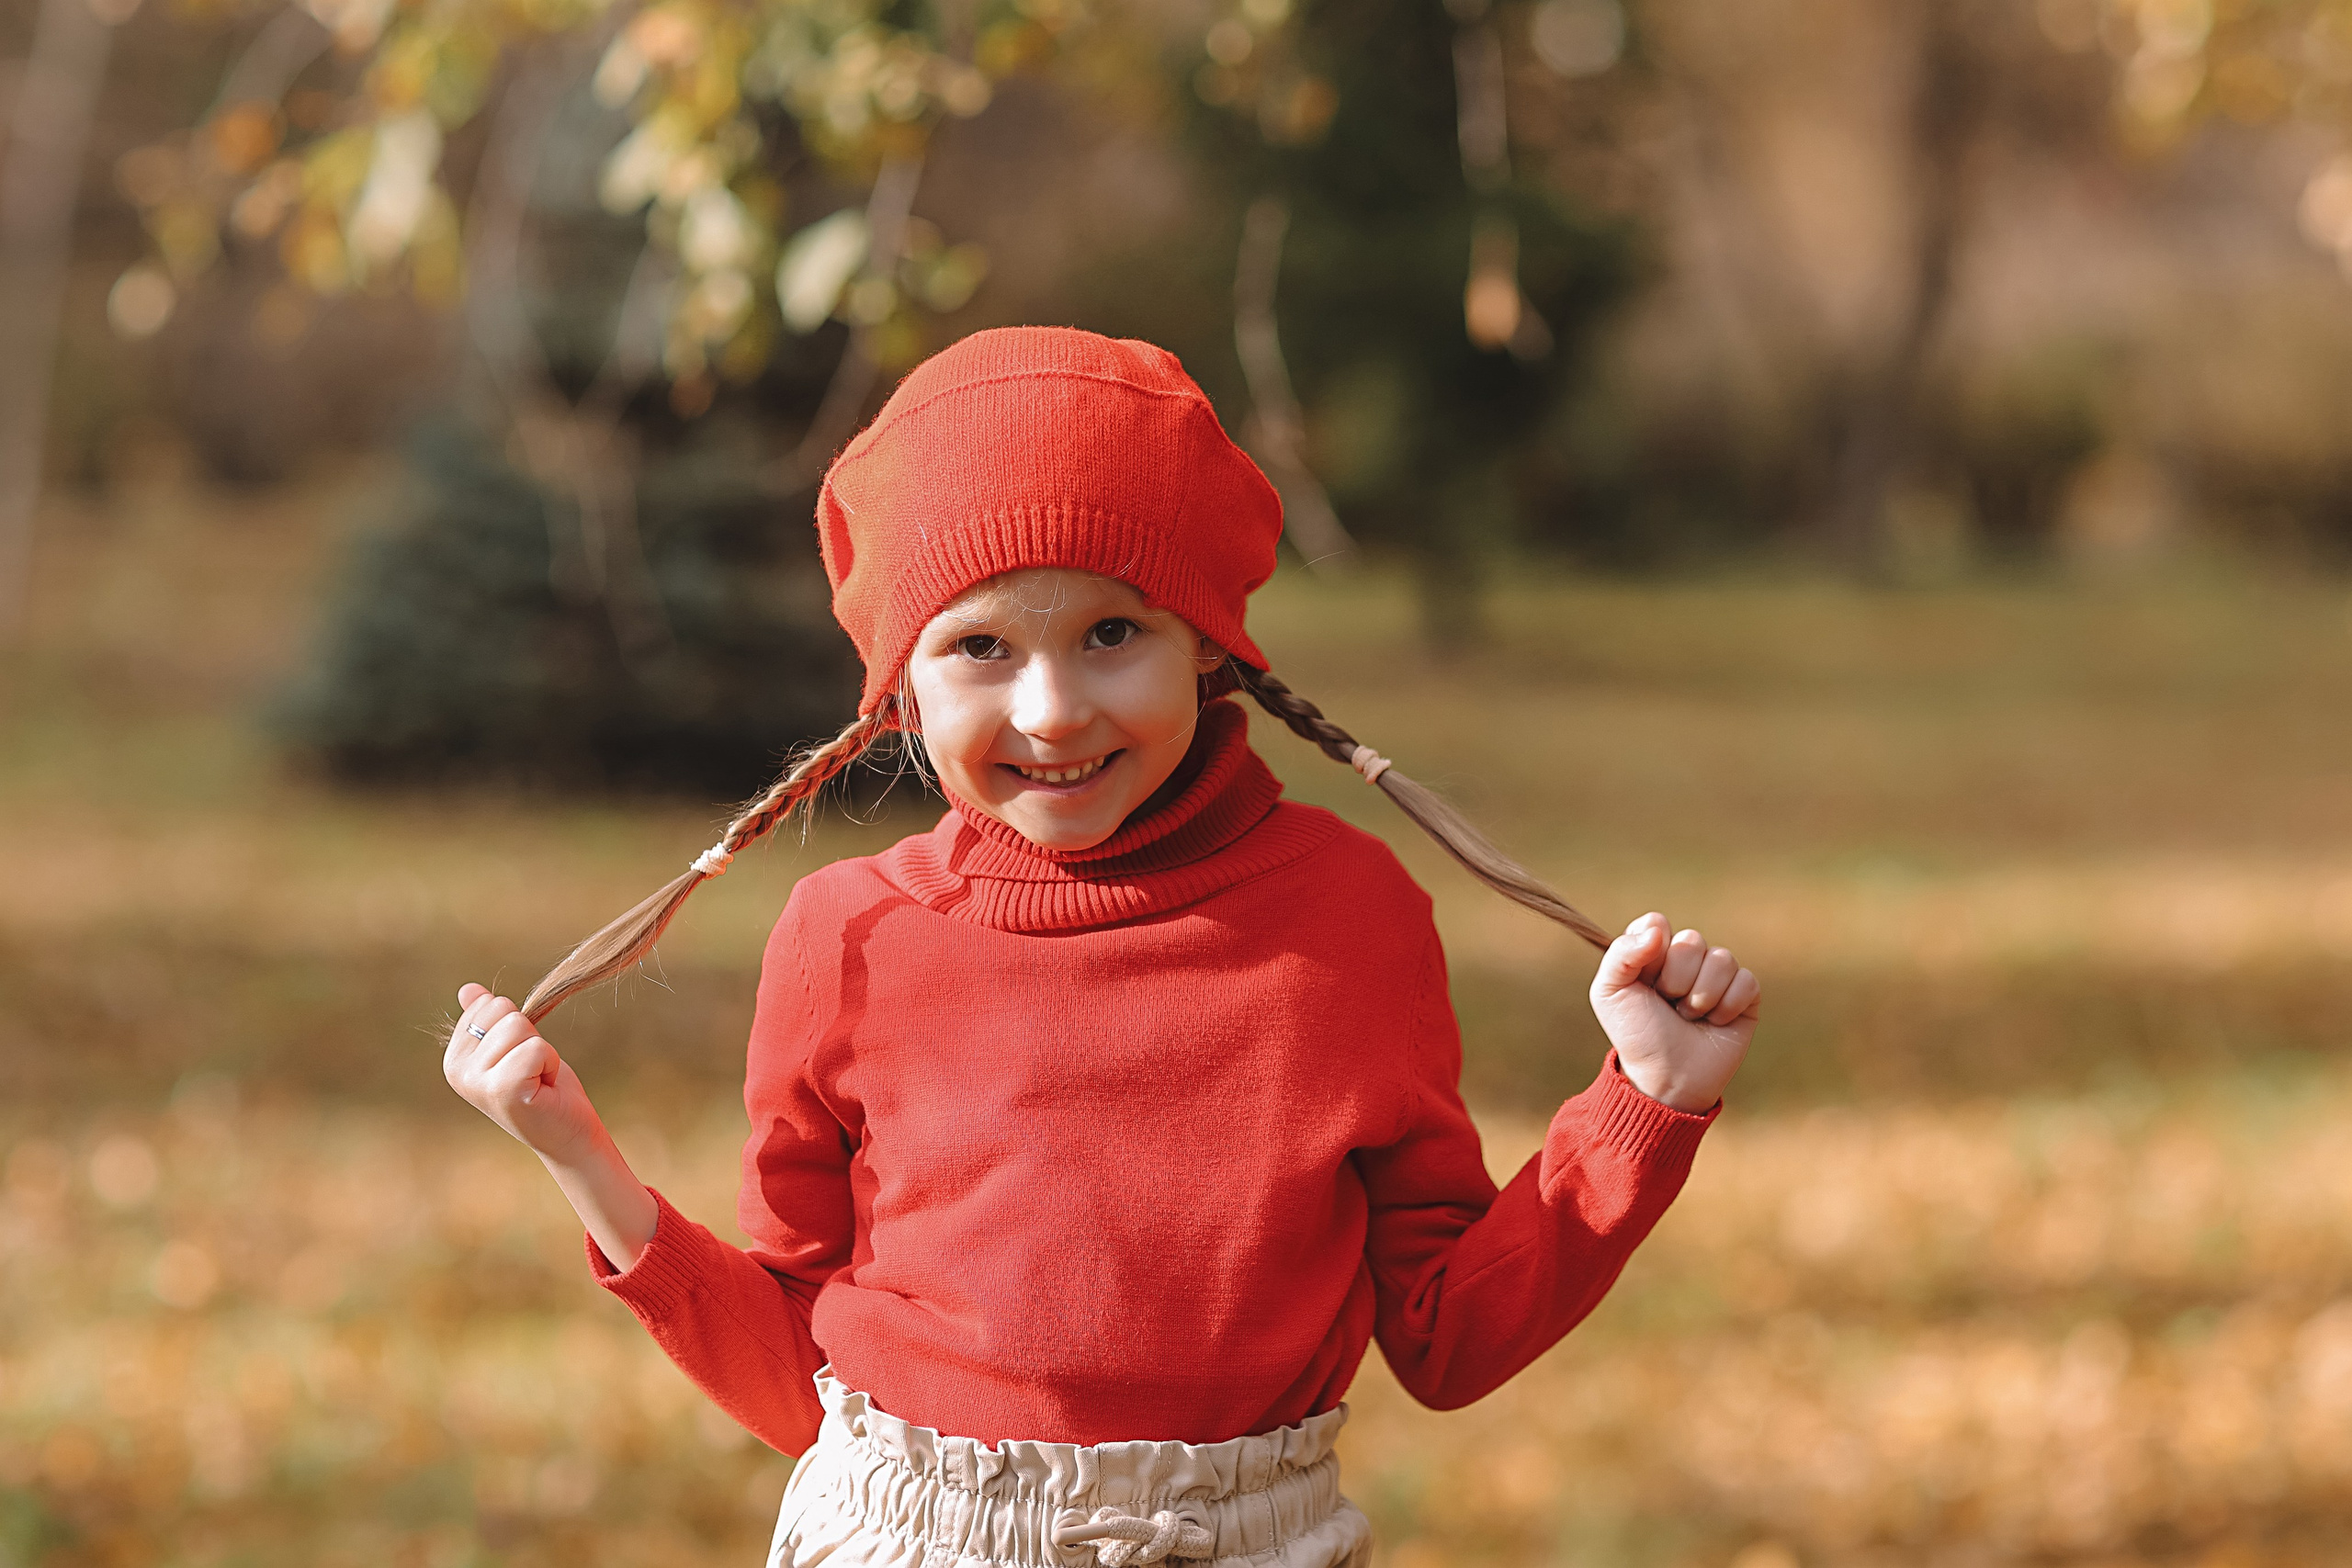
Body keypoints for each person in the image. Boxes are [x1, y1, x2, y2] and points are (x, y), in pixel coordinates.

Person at [442, 327, 1760, 1568]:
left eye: (1113, 633)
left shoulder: (1349, 917)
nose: (1053, 708)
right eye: (980, 647)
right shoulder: (848, 936)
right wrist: (578, 1156)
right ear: (902, 686)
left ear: (1211, 647)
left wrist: (1647, 1104)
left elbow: (1448, 1337)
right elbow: (802, 1382)